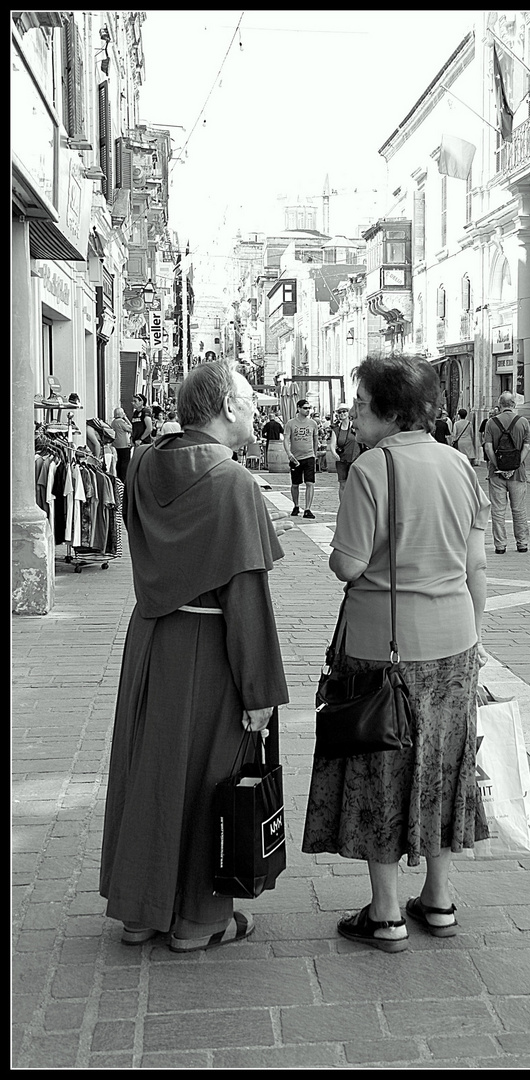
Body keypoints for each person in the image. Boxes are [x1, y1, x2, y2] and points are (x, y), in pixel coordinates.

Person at [99, 361, 291, 953]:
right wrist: (259, 692)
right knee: (210, 774)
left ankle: (139, 912)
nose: (255, 407)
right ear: (228, 408)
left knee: (151, 769)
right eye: (249, 397)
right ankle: (196, 920)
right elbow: (245, 593)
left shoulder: (144, 463)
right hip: (209, 646)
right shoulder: (232, 483)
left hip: (153, 636)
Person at [302, 353, 490, 953]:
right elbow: (477, 566)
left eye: (361, 403)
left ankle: (385, 914)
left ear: (387, 410)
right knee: (441, 763)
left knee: (380, 766)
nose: (354, 412)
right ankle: (439, 898)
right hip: (455, 642)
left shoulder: (370, 470)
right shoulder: (461, 466)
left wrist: (342, 551)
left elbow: (348, 565)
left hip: (383, 651)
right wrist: (475, 639)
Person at [484, 391, 530, 555]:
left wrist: (498, 465)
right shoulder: (523, 422)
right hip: (517, 474)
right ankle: (522, 543)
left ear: (500, 405)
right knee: (518, 509)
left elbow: (488, 447)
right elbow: (527, 446)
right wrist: (515, 465)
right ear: (514, 404)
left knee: (498, 511)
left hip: (496, 473)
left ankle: (500, 545)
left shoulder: (491, 423)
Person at [283, 399, 318, 519]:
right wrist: (289, 453)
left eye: (309, 408)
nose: (308, 410)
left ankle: (308, 509)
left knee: (310, 483)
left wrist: (315, 454)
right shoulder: (290, 423)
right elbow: (286, 439)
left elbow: (315, 440)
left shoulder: (313, 423)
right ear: (298, 408)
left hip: (309, 456)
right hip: (295, 458)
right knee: (295, 484)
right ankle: (296, 505)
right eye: (305, 408)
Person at [328, 402, 361, 499]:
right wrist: (334, 453)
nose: (342, 413)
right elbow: (332, 444)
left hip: (356, 459)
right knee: (342, 484)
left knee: (355, 484)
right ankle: (343, 507)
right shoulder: (336, 430)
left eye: (344, 411)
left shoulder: (355, 426)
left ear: (348, 413)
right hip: (342, 460)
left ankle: (354, 505)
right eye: (340, 412)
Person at [110, 406, 133, 483]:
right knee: (125, 461)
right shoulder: (121, 422)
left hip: (116, 444)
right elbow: (131, 428)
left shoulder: (113, 422)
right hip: (124, 444)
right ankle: (124, 478)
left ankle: (119, 477)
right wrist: (126, 418)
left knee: (119, 460)